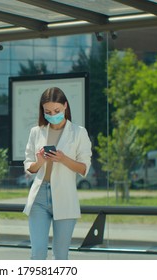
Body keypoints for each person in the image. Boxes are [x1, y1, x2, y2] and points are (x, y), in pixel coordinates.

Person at [23, 87, 92, 260]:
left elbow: (84, 168)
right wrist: (39, 161)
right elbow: (29, 167)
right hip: (39, 197)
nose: (52, 115)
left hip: (65, 197)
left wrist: (62, 159)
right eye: (48, 112)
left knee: (61, 256)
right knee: (38, 253)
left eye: (56, 110)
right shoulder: (36, 132)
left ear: (65, 106)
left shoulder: (79, 132)